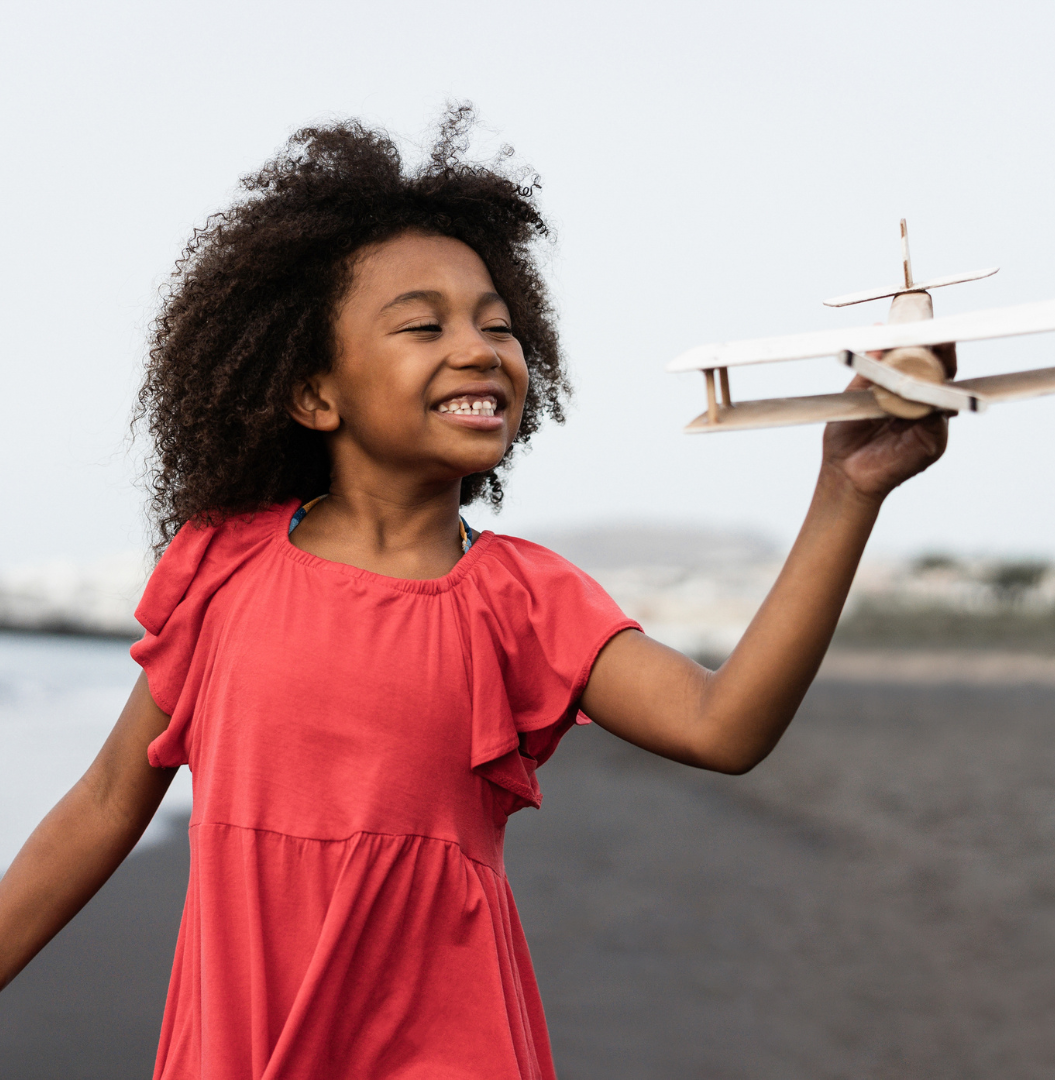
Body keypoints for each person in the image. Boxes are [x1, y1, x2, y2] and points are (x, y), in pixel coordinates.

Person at [0, 110, 949, 1079]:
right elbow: (110, 799)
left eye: (498, 324)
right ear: (314, 394)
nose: (480, 348)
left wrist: (847, 492)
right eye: (424, 325)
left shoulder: (522, 598)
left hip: (447, 1046)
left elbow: (722, 726)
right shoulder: (225, 563)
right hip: (245, 1037)